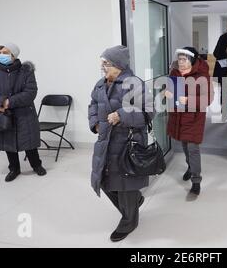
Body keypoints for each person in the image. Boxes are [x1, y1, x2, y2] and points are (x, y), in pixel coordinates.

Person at [88, 45, 154, 242]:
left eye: (106, 63)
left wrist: (122, 115)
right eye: (102, 63)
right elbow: (92, 105)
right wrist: (95, 124)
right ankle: (134, 203)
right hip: (105, 140)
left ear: (118, 65)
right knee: (105, 181)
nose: (102, 67)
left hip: (128, 142)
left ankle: (129, 221)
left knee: (125, 184)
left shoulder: (134, 84)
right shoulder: (100, 84)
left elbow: (149, 111)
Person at [0, 43, 47, 182]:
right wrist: (0, 102)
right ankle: (14, 169)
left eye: (5, 52)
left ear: (13, 55)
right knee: (8, 143)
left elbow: (30, 92)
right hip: (3, 114)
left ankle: (36, 165)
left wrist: (8, 102)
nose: (1, 55)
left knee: (29, 142)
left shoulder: (26, 71)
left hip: (24, 114)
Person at [165, 47, 213, 199]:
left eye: (184, 60)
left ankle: (196, 180)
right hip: (179, 115)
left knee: (192, 147)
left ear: (191, 60)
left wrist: (189, 100)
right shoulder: (174, 73)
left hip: (194, 117)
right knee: (184, 144)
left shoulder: (202, 75)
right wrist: (168, 93)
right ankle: (190, 167)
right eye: (179, 59)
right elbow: (170, 90)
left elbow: (208, 99)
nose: (180, 62)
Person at [213, 26, 227, 120]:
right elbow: (216, 53)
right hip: (224, 68)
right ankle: (224, 110)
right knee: (225, 90)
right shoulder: (223, 37)